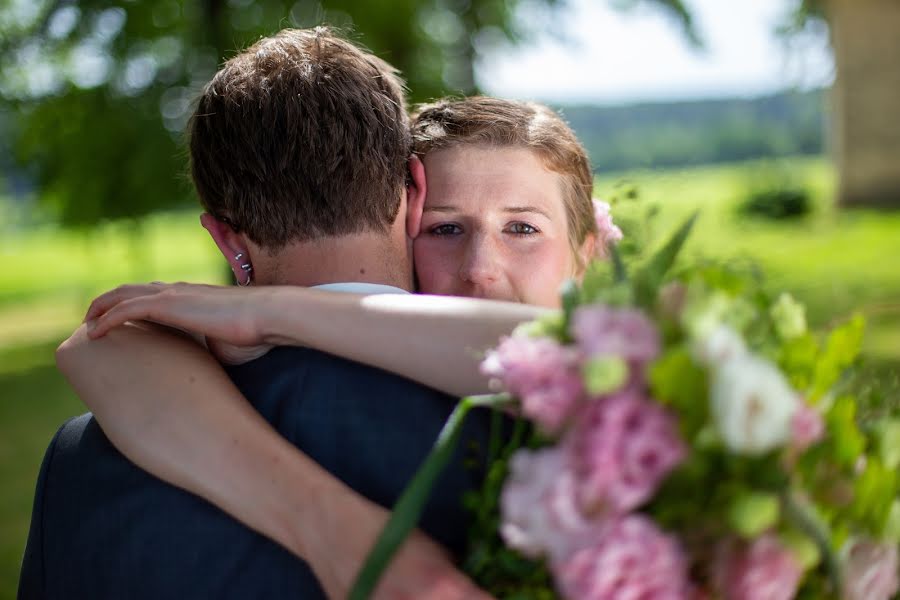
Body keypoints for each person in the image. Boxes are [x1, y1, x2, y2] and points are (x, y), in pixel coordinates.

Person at [23, 34, 610, 600]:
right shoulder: (591, 436)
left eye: (524, 229)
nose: (481, 269)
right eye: (447, 228)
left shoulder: (82, 460)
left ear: (226, 239)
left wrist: (267, 310)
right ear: (412, 199)